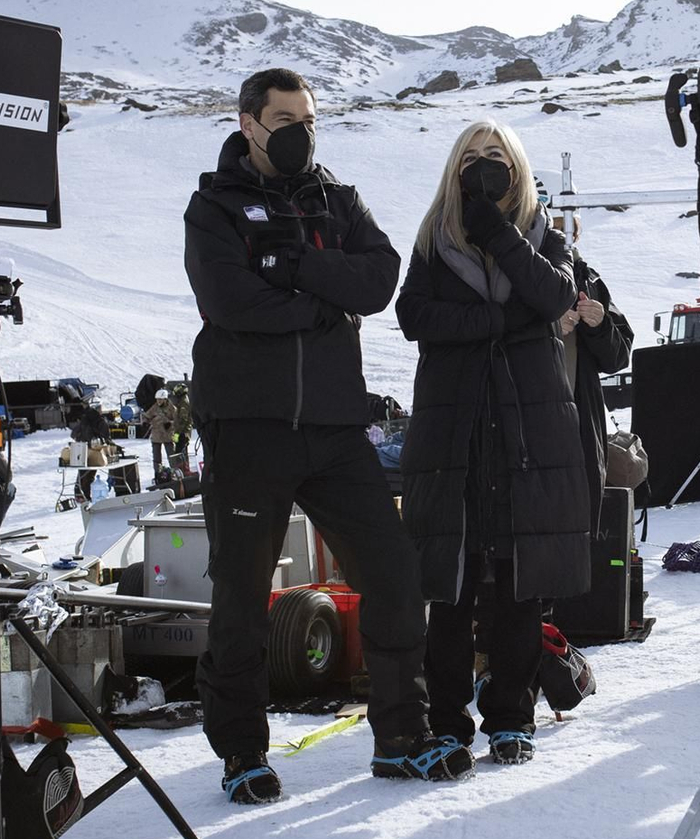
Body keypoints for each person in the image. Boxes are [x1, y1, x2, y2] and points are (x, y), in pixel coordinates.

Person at [184, 67, 467, 801]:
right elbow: (229, 300)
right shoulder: (213, 206)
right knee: (242, 596)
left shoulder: (336, 199)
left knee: (394, 575)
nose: (301, 134)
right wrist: (320, 304)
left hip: (337, 426)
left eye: (310, 119)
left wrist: (300, 267)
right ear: (249, 124)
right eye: (286, 120)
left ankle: (402, 735)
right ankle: (242, 750)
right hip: (249, 428)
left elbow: (377, 279)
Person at [396, 119, 590, 766]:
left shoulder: (544, 238)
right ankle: (447, 720)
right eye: (472, 158)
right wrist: (498, 322)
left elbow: (554, 294)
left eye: (495, 157)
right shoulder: (434, 238)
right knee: (448, 588)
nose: (483, 167)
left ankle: (512, 713)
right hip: (455, 433)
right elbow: (413, 316)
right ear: (454, 170)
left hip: (528, 435)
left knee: (517, 586)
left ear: (518, 168)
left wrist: (499, 234)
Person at [548, 203, 634, 533]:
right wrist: (547, 330)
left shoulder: (590, 278)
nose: (567, 238)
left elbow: (618, 357)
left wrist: (599, 326)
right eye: (558, 228)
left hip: (580, 425)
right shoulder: (511, 273)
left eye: (573, 230)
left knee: (579, 522)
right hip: (527, 427)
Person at [145, 388, 178, 478]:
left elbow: (177, 421)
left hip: (168, 436)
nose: (158, 401)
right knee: (156, 459)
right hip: (156, 436)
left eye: (160, 399)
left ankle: (174, 473)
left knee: (172, 457)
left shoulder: (172, 408)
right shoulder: (154, 407)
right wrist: (148, 421)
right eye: (157, 399)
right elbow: (146, 416)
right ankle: (158, 475)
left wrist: (169, 423)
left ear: (165, 399)